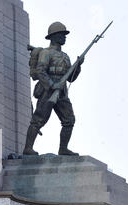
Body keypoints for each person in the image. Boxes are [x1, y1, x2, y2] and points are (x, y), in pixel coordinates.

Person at [23, 22, 84, 157]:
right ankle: (28, 148)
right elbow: (40, 71)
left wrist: (78, 66)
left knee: (69, 120)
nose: (64, 37)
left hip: (61, 92)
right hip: (47, 90)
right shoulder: (46, 53)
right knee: (39, 119)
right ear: (54, 36)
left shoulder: (65, 56)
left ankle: (63, 149)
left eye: (64, 35)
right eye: (61, 35)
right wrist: (51, 85)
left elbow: (70, 79)